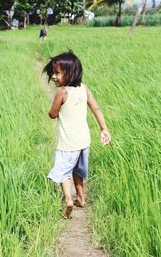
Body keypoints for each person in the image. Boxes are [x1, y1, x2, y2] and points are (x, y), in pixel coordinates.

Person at [43, 51, 111, 218]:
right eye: (53, 72)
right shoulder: (84, 89)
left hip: (67, 144)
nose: (53, 77)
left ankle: (68, 200)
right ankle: (81, 198)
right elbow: (96, 108)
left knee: (63, 172)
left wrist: (56, 110)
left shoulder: (62, 93)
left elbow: (52, 114)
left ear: (70, 73)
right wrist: (104, 129)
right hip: (83, 141)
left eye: (57, 73)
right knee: (77, 171)